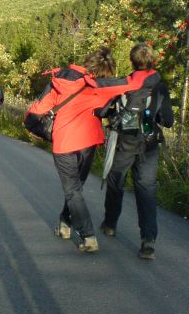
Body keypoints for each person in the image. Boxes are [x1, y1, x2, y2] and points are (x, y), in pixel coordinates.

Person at [25, 46, 160, 253]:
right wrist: (151, 69)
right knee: (75, 189)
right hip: (88, 142)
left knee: (72, 190)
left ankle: (88, 236)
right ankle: (64, 223)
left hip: (64, 144)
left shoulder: (60, 81)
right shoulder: (102, 86)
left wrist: (49, 135)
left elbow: (33, 115)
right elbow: (137, 81)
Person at [101, 43, 174, 260]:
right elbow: (168, 121)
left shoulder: (125, 83)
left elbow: (104, 110)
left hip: (124, 142)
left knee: (116, 182)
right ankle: (148, 241)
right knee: (147, 191)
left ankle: (110, 224)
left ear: (132, 62)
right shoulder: (159, 87)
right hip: (148, 146)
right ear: (152, 61)